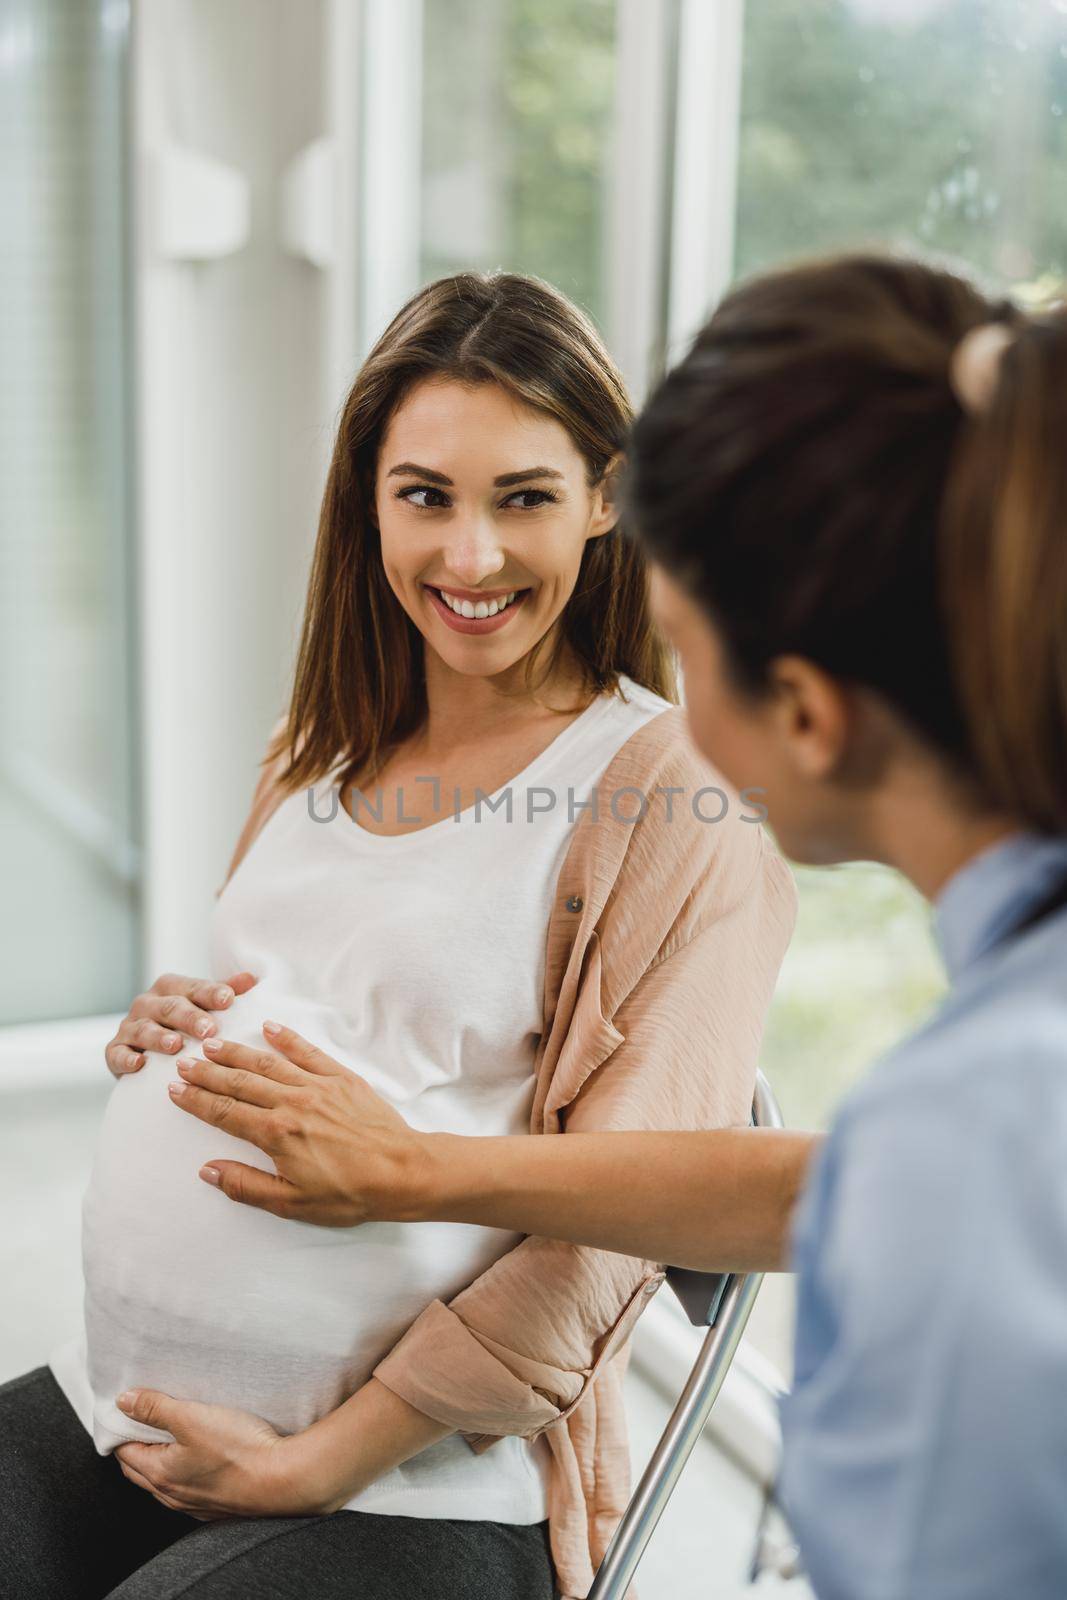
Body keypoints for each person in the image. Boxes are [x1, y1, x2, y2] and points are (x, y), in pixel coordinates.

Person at [154, 251, 1067, 1599]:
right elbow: (810, 1183)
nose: (662, 706)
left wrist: (342, 1409)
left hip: (442, 1479)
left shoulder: (969, 1132)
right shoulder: (948, 1121)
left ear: (804, 714)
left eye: (687, 651)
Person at [0, 270, 797, 1600]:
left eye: (524, 497)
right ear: (368, 498)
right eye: (425, 495)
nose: (468, 557)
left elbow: (614, 1229)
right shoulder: (315, 746)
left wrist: (319, 1465)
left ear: (608, 498)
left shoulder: (672, 792)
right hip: (133, 1410)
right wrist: (181, 1031)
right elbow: (320, 1002)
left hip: (426, 1486)